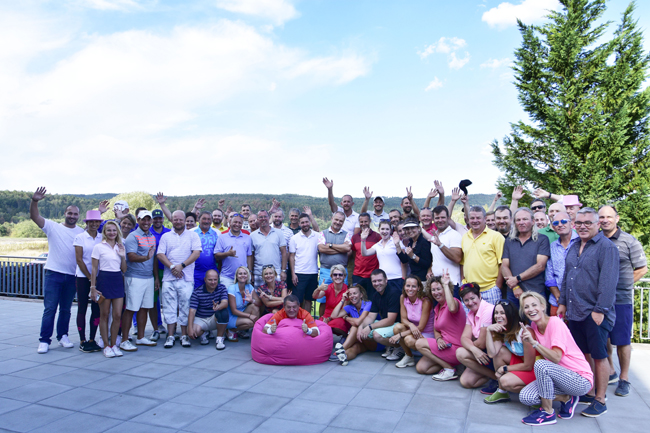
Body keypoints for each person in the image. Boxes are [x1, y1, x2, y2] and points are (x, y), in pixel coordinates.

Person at [557, 208, 619, 417]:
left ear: (597, 224)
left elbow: (609, 282)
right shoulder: (574, 245)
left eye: (588, 223)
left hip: (594, 312)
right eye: (579, 223)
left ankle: (600, 400)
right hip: (575, 310)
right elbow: (567, 277)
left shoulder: (606, 247)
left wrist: (600, 310)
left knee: (599, 356)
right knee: (584, 354)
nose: (583, 226)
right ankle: (590, 392)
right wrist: (563, 302)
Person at [519, 292, 594, 425]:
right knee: (526, 397)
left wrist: (534, 343)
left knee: (541, 365)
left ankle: (548, 412)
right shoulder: (535, 326)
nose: (531, 309)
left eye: (534, 305)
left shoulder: (555, 323)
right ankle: (566, 398)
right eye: (526, 307)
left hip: (579, 379)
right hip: (558, 377)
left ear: (543, 306)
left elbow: (556, 358)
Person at [599, 205, 648, 397]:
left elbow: (642, 269)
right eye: (602, 217)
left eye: (609, 217)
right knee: (603, 338)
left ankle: (624, 379)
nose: (605, 220)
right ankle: (611, 370)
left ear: (617, 218)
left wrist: (622, 285)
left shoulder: (629, 241)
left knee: (622, 340)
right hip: (600, 299)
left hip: (621, 299)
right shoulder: (596, 240)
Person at [31, 187, 85, 354]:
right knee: (50, 308)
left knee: (66, 309)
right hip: (54, 274)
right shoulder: (52, 227)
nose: (72, 216)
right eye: (70, 213)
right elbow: (35, 217)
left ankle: (63, 336)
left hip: (72, 276)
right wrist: (34, 201)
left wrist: (100, 212)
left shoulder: (81, 232)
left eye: (75, 214)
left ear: (79, 216)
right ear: (65, 213)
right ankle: (44, 340)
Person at [157, 210, 202, 349]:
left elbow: (196, 253)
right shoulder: (165, 236)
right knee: (169, 307)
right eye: (175, 219)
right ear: (172, 220)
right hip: (169, 278)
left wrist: (181, 266)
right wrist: (172, 267)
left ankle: (184, 335)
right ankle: (170, 336)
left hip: (186, 278)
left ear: (185, 220)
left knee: (185, 306)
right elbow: (160, 254)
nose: (178, 222)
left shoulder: (193, 235)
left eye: (180, 219)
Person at [414, 271, 467, 380]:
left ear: (445, 289)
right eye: (433, 290)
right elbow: (436, 329)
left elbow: (452, 308)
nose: (436, 292)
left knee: (419, 343)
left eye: (439, 289)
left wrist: (446, 284)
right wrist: (438, 339)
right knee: (422, 368)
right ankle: (452, 367)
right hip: (443, 346)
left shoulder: (454, 302)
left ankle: (449, 369)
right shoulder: (437, 307)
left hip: (456, 348)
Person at [483, 300, 536, 404]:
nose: (498, 316)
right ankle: (501, 392)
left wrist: (504, 369)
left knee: (505, 381)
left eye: (502, 313)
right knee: (500, 352)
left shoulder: (524, 332)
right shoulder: (503, 328)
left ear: (511, 314)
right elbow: (492, 354)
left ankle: (537, 396)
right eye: (496, 313)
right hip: (521, 363)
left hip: (534, 369)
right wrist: (489, 331)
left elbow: (528, 365)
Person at [119, 210, 157, 352]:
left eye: (148, 220)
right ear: (138, 220)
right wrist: (146, 257)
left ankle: (141, 337)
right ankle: (124, 340)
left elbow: (153, 258)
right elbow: (131, 256)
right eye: (143, 220)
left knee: (144, 308)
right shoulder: (133, 236)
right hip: (134, 277)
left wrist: (156, 277)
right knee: (130, 309)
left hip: (148, 277)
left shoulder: (152, 237)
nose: (146, 222)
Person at [90, 221, 127, 358]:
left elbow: (124, 269)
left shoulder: (120, 246)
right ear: (104, 232)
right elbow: (94, 268)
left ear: (118, 232)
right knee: (104, 314)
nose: (112, 233)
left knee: (117, 315)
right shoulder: (98, 247)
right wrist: (93, 287)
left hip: (117, 280)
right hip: (104, 280)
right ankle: (106, 345)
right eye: (109, 230)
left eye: (114, 230)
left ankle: (113, 344)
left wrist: (123, 256)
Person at [348, 269, 402, 363]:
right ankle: (344, 349)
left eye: (379, 280)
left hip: (398, 325)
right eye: (374, 281)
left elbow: (390, 320)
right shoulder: (376, 294)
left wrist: (370, 327)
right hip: (388, 324)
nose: (377, 283)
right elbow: (370, 316)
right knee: (358, 328)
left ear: (386, 280)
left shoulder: (393, 293)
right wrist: (361, 327)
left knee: (376, 335)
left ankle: (399, 347)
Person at [501, 208, 550, 308]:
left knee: (537, 318)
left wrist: (517, 279)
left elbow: (540, 266)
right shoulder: (509, 241)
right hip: (513, 292)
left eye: (525, 219)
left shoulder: (542, 239)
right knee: (513, 318)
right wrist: (515, 287)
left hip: (535, 292)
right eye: (518, 220)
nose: (521, 222)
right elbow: (504, 266)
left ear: (533, 221)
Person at [461, 206, 505, 305]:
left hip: (490, 289)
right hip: (469, 290)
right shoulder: (465, 237)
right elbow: (463, 262)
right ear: (468, 220)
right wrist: (463, 282)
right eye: (472, 218)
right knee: (470, 316)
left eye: (478, 218)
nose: (475, 221)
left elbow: (502, 263)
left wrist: (497, 286)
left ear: (485, 219)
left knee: (491, 315)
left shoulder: (496, 237)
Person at [73, 210, 103, 353]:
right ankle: (82, 340)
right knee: (82, 308)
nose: (94, 224)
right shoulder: (80, 237)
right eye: (92, 222)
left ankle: (92, 339)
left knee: (96, 308)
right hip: (82, 277)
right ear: (87, 222)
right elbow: (79, 260)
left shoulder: (102, 237)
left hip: (98, 278)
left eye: (97, 221)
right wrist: (90, 277)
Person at [455, 283, 496, 389]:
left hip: (495, 354)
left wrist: (472, 345)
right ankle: (495, 377)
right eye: (466, 300)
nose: (470, 303)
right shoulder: (471, 314)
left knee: (461, 352)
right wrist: (474, 349)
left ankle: (498, 378)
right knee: (466, 382)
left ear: (480, 296)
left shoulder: (487, 310)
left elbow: (482, 343)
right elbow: (464, 338)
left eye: (472, 298)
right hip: (482, 353)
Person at [388, 275, 434, 368]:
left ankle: (428, 354)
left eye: (413, 286)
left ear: (419, 288)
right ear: (404, 287)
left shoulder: (425, 301)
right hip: (414, 330)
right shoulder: (403, 297)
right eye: (408, 286)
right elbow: (403, 319)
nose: (410, 289)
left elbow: (421, 327)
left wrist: (400, 335)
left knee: (408, 339)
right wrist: (411, 325)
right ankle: (409, 356)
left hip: (426, 333)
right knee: (397, 327)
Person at [317, 212, 352, 314]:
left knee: (342, 298)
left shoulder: (347, 234)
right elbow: (321, 248)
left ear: (343, 222)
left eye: (341, 221)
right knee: (323, 298)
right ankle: (322, 320)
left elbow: (347, 248)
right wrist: (341, 249)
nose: (338, 222)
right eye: (336, 219)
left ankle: (339, 320)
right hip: (326, 270)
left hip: (342, 272)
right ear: (332, 219)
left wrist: (330, 245)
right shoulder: (323, 233)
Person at [545, 212, 579, 316]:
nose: (560, 225)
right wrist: (560, 298)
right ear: (553, 227)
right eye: (556, 223)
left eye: (564, 221)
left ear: (571, 223)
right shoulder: (552, 247)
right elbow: (549, 276)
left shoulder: (582, 243)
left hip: (579, 301)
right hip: (556, 301)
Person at [330, 285, 373, 364]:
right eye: (350, 294)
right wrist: (343, 300)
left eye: (355, 293)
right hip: (361, 339)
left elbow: (358, 322)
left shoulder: (368, 304)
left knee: (354, 327)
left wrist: (346, 317)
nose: (352, 296)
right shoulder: (350, 307)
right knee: (354, 349)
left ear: (361, 295)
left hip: (372, 339)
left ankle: (342, 348)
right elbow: (333, 315)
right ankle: (343, 356)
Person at [188, 269, 229, 350]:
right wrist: (189, 328)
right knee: (193, 332)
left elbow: (225, 303)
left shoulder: (222, 288)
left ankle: (219, 339)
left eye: (215, 280)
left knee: (224, 312)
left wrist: (218, 307)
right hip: (201, 318)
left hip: (214, 318)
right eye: (210, 280)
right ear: (205, 280)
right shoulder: (197, 292)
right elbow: (192, 311)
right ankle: (204, 332)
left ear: (218, 279)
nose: (213, 282)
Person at [422, 205, 463, 286]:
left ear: (448, 218)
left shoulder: (454, 235)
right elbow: (435, 258)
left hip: (451, 284)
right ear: (433, 219)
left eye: (443, 217)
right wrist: (430, 270)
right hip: (437, 285)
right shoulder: (434, 236)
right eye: (437, 218)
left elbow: (457, 258)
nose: (440, 220)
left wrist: (440, 245)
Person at [361, 220, 405, 294]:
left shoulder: (396, 242)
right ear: (379, 230)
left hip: (397, 278)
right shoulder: (378, 245)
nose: (385, 231)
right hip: (383, 280)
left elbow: (404, 260)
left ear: (390, 230)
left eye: (387, 229)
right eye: (382, 229)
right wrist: (363, 240)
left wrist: (403, 277)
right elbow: (365, 253)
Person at [289, 213, 320, 312]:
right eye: (302, 222)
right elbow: (292, 256)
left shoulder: (317, 236)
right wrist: (293, 274)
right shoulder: (294, 238)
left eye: (306, 222)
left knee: (309, 300)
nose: (305, 224)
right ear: (299, 224)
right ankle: (297, 319)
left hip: (313, 272)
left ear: (310, 222)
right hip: (299, 273)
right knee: (297, 300)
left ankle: (307, 319)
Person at [148, 208, 170, 341]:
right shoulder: (148, 231)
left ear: (163, 219)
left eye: (159, 218)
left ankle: (171, 327)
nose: (157, 220)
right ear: (152, 220)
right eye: (155, 218)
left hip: (168, 269)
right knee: (153, 299)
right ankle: (157, 326)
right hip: (152, 270)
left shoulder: (169, 232)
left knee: (169, 298)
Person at [214, 213, 252, 288]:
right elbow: (216, 255)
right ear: (230, 223)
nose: (237, 224)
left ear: (242, 224)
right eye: (235, 222)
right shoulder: (222, 237)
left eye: (239, 223)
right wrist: (227, 254)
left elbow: (249, 256)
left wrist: (250, 272)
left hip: (243, 276)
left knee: (244, 295)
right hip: (227, 277)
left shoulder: (247, 237)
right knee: (227, 296)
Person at [250, 210, 287, 288]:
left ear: (269, 217)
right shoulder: (252, 236)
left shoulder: (278, 233)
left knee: (277, 295)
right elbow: (251, 256)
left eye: (265, 216)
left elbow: (284, 253)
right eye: (260, 217)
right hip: (259, 273)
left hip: (276, 272)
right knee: (258, 295)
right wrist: (251, 272)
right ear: (257, 219)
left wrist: (283, 270)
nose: (263, 219)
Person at [311, 264, 350, 335]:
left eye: (340, 275)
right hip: (326, 316)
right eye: (335, 275)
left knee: (337, 324)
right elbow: (315, 296)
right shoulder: (328, 287)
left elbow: (343, 311)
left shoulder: (347, 290)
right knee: (316, 326)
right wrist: (319, 289)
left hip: (339, 317)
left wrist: (329, 319)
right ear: (331, 276)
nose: (337, 277)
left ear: (344, 276)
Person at [350, 213, 380, 296]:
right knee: (357, 298)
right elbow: (355, 253)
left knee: (372, 298)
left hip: (373, 275)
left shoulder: (377, 236)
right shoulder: (354, 237)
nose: (363, 224)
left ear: (370, 221)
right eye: (361, 222)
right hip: (358, 274)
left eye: (366, 221)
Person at [226, 266, 261, 341]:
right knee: (250, 323)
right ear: (236, 276)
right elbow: (234, 311)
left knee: (255, 306)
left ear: (247, 275)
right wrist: (250, 316)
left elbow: (259, 303)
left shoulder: (249, 286)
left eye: (245, 273)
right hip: (232, 316)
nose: (243, 275)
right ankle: (231, 330)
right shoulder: (232, 288)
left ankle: (254, 332)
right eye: (240, 273)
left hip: (242, 313)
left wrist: (252, 300)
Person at [192, 211, 220, 289]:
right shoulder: (191, 232)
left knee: (212, 293)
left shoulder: (217, 233)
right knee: (196, 293)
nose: (206, 221)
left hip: (212, 270)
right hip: (195, 271)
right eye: (204, 219)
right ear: (198, 219)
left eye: (209, 219)